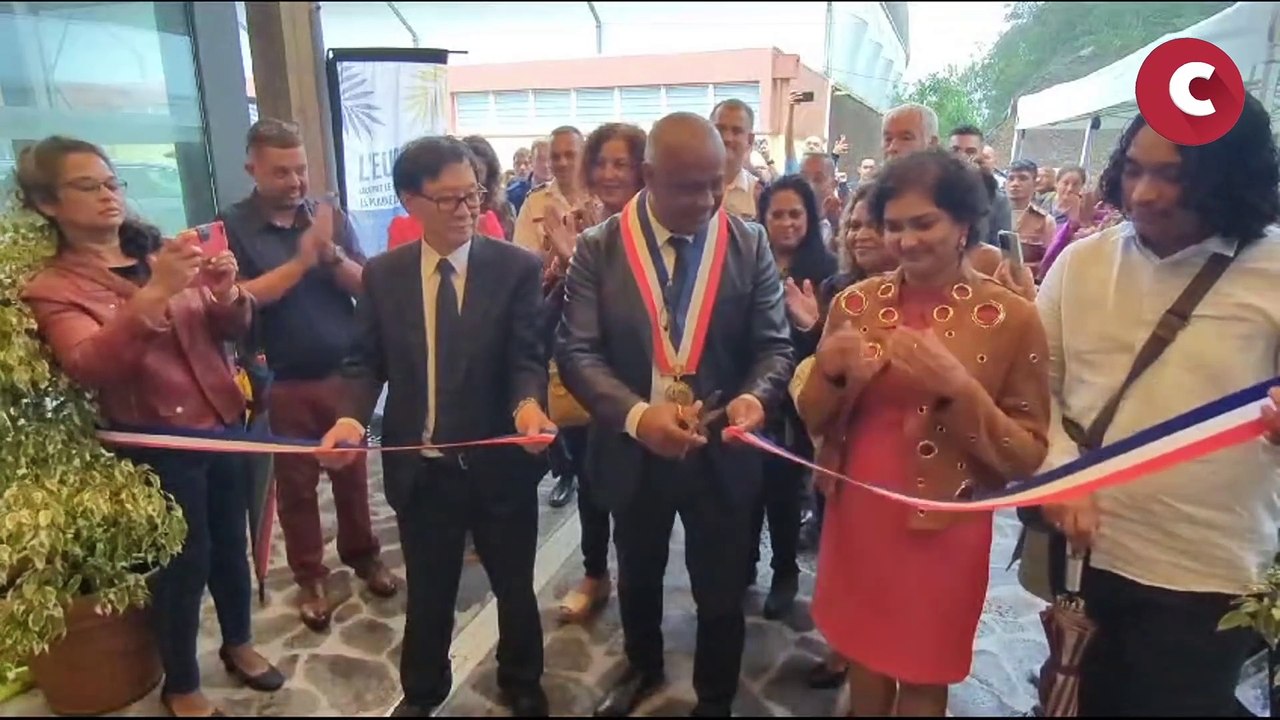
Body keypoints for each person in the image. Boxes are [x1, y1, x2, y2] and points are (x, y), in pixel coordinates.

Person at [18, 136, 284, 718]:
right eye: (88, 186)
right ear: (47, 203)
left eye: (113, 183)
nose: (108, 195)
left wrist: (225, 293)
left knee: (231, 552)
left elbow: (228, 327)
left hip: (221, 424)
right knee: (184, 563)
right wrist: (159, 291)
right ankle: (181, 682)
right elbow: (91, 365)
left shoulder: (159, 251)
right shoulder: (55, 287)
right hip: (156, 444)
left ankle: (239, 643)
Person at [1038, 95, 1280, 717]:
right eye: (1135, 169)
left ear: (1231, 176)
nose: (1144, 193)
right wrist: (1060, 471)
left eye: (1174, 175)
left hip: (1207, 575)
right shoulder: (1080, 264)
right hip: (1084, 560)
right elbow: (1036, 391)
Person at [794, 148, 1050, 717]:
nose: (907, 241)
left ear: (963, 224)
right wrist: (832, 376)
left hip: (945, 531)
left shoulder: (1012, 318)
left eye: (924, 223)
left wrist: (958, 389)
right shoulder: (856, 302)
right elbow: (814, 418)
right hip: (859, 511)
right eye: (894, 226)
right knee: (864, 655)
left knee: (925, 668)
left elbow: (1027, 452)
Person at [556, 112, 794, 717]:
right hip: (635, 447)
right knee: (637, 573)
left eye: (716, 182)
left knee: (720, 587)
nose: (709, 199)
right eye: (690, 186)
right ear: (649, 175)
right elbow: (577, 351)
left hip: (722, 448)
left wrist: (755, 397)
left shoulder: (749, 242)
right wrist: (638, 416)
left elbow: (774, 346)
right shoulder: (598, 248)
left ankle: (715, 695)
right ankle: (643, 666)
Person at [318, 136, 556, 718]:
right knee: (428, 593)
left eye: (472, 195)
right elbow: (365, 360)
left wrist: (528, 405)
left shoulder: (515, 269)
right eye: (448, 199)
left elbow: (526, 356)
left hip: (499, 464)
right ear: (410, 201)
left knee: (515, 588)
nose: (465, 210)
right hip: (422, 469)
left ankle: (522, 679)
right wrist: (350, 417)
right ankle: (423, 693)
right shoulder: (385, 275)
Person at [220, 119, 396, 631]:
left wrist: (329, 252)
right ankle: (310, 577)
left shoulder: (327, 216)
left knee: (354, 477)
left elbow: (367, 285)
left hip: (345, 374)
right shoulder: (230, 226)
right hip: (281, 378)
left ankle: (363, 555)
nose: (296, 182)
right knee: (296, 489)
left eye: (300, 170)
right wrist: (301, 262)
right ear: (252, 167)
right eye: (282, 172)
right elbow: (239, 299)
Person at [540, 122, 648, 625]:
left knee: (635, 496)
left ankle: (633, 583)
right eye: (601, 162)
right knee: (589, 479)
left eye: (621, 163)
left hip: (640, 385)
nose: (609, 172)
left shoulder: (651, 228)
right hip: (584, 378)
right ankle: (594, 572)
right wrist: (558, 268)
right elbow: (558, 311)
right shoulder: (581, 222)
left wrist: (572, 255)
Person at [750, 175, 838, 619]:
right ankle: (742, 565)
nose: (786, 223)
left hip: (795, 407)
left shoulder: (827, 275)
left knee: (783, 493)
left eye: (795, 214)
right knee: (743, 488)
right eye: (777, 214)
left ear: (810, 218)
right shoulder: (747, 263)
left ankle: (784, 571)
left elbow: (829, 352)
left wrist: (811, 325)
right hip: (748, 396)